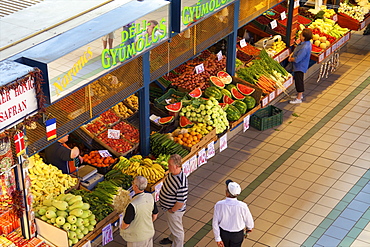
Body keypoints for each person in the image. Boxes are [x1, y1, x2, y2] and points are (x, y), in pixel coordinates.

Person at [212, 179, 254, 247]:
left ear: (227, 193)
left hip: (224, 234)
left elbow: (215, 223)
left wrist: (218, 238)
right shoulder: (242, 206)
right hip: (237, 235)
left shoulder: (219, 205)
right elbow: (249, 221)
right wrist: (249, 228)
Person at [158, 154, 188, 246]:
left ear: (177, 166)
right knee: (174, 226)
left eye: (170, 165)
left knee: (178, 231)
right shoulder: (173, 174)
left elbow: (180, 202)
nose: (168, 166)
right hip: (169, 208)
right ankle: (171, 238)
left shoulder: (181, 183)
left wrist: (172, 210)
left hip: (174, 211)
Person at [120, 176, 158, 247]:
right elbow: (155, 215)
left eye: (133, 183)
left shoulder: (133, 205)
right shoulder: (150, 197)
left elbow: (126, 224)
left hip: (136, 238)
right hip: (149, 233)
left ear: (135, 187)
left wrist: (122, 228)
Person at [288, 28, 313, 104]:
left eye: (301, 35)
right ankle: (299, 94)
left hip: (300, 66)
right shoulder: (306, 43)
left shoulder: (305, 47)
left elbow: (298, 59)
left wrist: (290, 59)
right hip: (300, 65)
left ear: (304, 37)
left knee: (299, 81)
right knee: (298, 80)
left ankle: (299, 98)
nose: (299, 35)